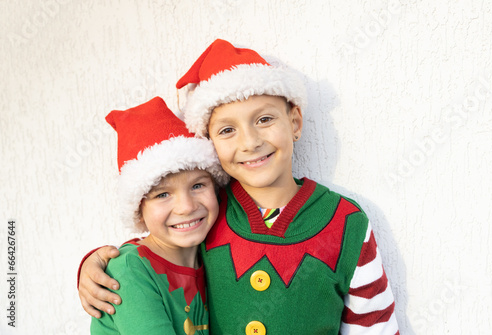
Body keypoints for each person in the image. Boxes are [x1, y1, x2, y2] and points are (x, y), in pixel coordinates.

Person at [79, 40, 399, 334]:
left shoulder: (346, 223)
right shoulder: (211, 209)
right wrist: (97, 263)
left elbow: (375, 324)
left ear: (295, 122)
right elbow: (161, 247)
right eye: (228, 129)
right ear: (210, 143)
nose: (250, 142)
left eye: (264, 120)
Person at [89, 96, 228, 334]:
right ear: (138, 212)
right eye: (162, 195)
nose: (186, 207)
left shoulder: (210, 254)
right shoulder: (129, 271)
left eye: (197, 186)